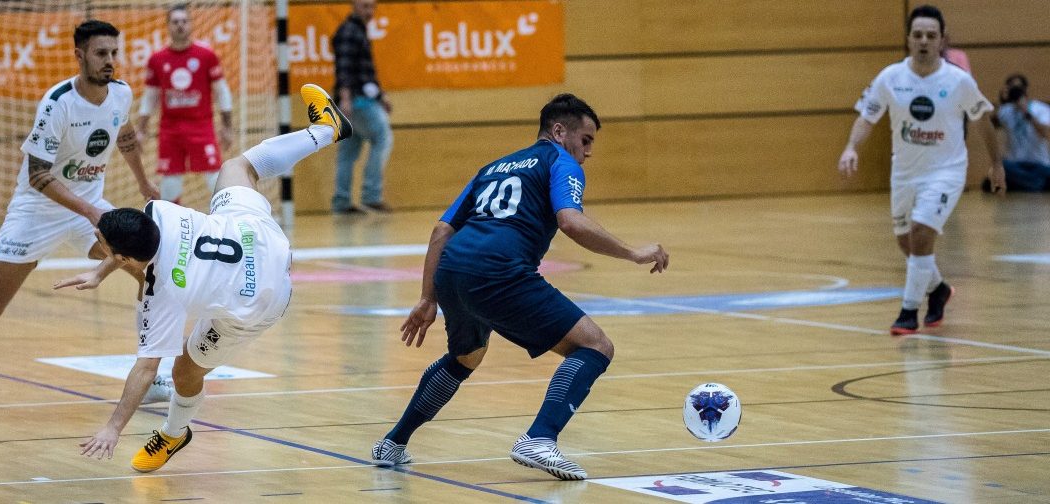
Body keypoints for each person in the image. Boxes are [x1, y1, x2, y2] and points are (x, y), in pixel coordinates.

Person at [369, 94, 669, 481]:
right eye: (586, 140)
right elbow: (570, 221)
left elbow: (442, 230)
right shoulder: (560, 162)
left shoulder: (494, 167)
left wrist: (428, 298)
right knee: (595, 346)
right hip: (499, 272)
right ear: (559, 131)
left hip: (452, 271)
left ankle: (392, 443)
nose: (588, 152)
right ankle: (539, 439)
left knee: (465, 357)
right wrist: (632, 252)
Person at [60, 84, 352, 472]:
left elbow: (146, 369)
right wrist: (100, 272)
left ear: (125, 257)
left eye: (104, 246)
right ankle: (326, 130)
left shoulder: (164, 295)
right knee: (237, 168)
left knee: (184, 370)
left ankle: (174, 433)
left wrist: (113, 428)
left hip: (262, 300)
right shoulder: (159, 210)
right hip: (263, 238)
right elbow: (127, 249)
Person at [0, 20, 167, 416]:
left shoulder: (121, 93)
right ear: (79, 55)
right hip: (38, 212)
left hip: (89, 208)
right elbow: (38, 175)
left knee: (148, 272)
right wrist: (92, 211)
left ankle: (150, 378)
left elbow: (126, 135)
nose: (110, 61)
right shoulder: (57, 103)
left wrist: (143, 182)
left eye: (114, 53)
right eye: (101, 53)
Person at [838, 5, 1005, 336]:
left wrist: (996, 164)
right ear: (908, 39)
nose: (924, 41)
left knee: (922, 233)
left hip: (946, 171)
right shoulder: (890, 78)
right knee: (907, 243)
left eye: (931, 35)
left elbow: (983, 121)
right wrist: (851, 147)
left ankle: (908, 310)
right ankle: (938, 289)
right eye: (918, 35)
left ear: (943, 40)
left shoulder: (959, 81)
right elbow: (867, 117)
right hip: (904, 172)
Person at [137, 4, 234, 205]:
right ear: (168, 26)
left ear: (191, 24)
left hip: (201, 126)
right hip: (170, 129)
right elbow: (150, 97)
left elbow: (222, 91)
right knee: (170, 180)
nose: (180, 25)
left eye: (184, 21)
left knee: (215, 177)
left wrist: (227, 126)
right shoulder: (157, 59)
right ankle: (170, 221)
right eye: (175, 22)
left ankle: (228, 216)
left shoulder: (206, 55)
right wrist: (141, 129)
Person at [331, 0, 393, 214]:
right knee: (382, 138)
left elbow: (363, 71)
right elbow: (344, 69)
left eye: (372, 7)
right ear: (354, 5)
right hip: (358, 101)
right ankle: (371, 196)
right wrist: (346, 98)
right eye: (365, 6)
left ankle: (342, 201)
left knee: (348, 152)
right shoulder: (350, 31)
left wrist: (380, 95)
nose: (370, 11)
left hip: (354, 100)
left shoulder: (356, 30)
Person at [993, 75, 1050, 191]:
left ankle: (1029, 184)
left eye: (1018, 88)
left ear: (1026, 89)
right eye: (1012, 89)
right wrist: (1002, 100)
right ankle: (1036, 185)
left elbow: (1044, 133)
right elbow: (991, 123)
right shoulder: (1006, 110)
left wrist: (1026, 111)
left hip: (1039, 164)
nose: (1016, 92)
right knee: (1002, 166)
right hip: (1017, 164)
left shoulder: (1040, 108)